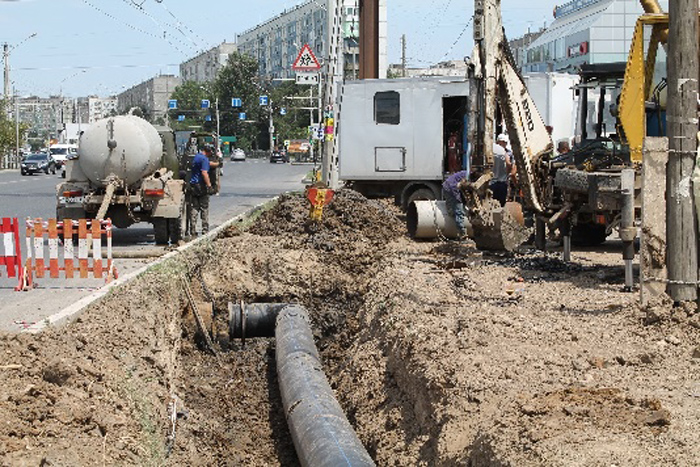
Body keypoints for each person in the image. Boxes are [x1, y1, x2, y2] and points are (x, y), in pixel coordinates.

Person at [188, 145, 215, 236]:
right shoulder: (204, 159)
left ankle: (192, 229)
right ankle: (205, 230)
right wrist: (209, 186)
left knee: (194, 208)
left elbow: (207, 164)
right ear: (208, 151)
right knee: (204, 208)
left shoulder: (197, 157)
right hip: (201, 186)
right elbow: (204, 173)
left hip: (193, 185)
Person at [442, 170, 469, 237]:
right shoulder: (467, 177)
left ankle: (450, 209)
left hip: (447, 187)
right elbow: (456, 190)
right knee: (459, 210)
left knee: (456, 207)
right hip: (450, 189)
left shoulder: (466, 174)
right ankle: (462, 234)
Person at [490, 134, 515, 207]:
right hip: (501, 181)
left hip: (494, 182)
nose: (504, 144)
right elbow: (509, 164)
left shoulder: (492, 149)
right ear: (498, 142)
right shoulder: (504, 152)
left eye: (505, 142)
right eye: (503, 142)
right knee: (500, 205)